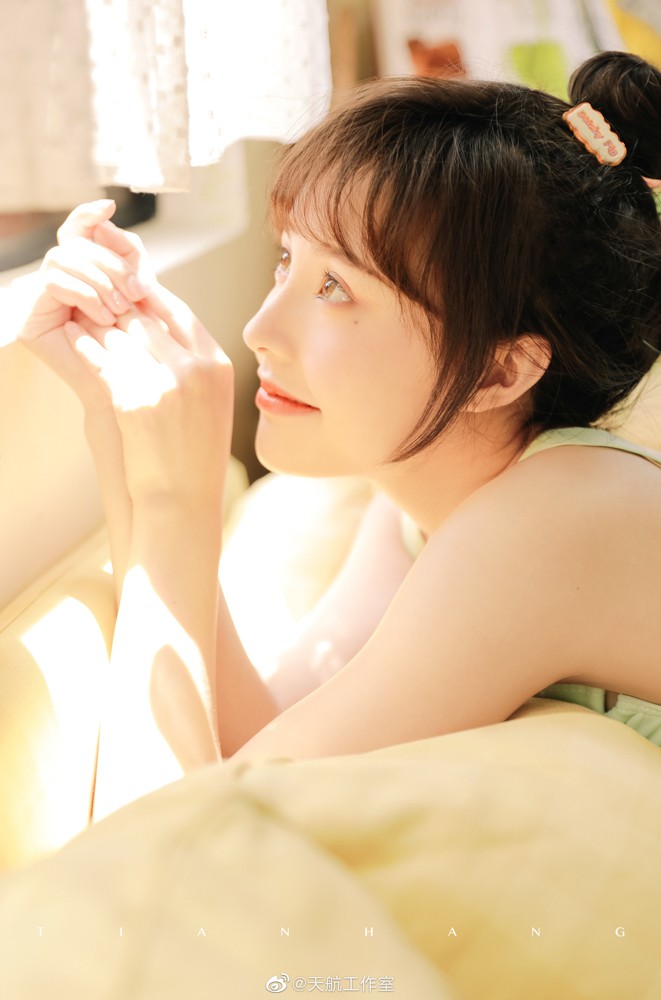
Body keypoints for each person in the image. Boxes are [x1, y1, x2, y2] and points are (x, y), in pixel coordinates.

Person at [16, 50, 661, 821]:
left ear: (499, 372)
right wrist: (117, 426)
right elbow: (264, 741)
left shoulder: (551, 523)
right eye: (286, 259)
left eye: (334, 288)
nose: (259, 330)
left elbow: (176, 840)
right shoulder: (420, 511)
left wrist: (175, 499)